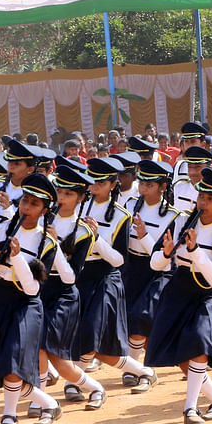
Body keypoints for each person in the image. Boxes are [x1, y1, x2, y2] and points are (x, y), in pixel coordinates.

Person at [0, 173, 64, 424]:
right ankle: (49, 403)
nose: (27, 208)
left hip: (25, 305)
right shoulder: (0, 229)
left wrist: (17, 258)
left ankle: (9, 415)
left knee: (12, 362)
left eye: (34, 204)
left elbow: (33, 288)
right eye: (25, 201)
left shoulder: (48, 241)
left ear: (45, 210)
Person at [145, 168, 212, 424]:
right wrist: (166, 254)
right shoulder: (180, 221)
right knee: (181, 356)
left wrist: (196, 252)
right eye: (201, 197)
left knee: (198, 342)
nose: (203, 203)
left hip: (210, 296)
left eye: (210, 200)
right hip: (179, 290)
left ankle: (190, 409)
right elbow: (155, 264)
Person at [77, 157, 155, 386]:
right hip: (81, 275)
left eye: (101, 183)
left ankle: (75, 381)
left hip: (105, 278)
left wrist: (96, 238)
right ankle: (144, 372)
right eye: (92, 182)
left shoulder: (122, 215)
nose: (94, 187)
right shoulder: (80, 206)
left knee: (91, 334)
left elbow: (119, 259)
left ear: (113, 185)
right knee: (90, 340)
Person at [40, 164, 109, 410]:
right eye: (59, 191)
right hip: (40, 289)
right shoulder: (43, 218)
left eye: (69, 194)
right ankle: (41, 398)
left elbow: (72, 276)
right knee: (39, 348)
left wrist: (54, 242)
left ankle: (94, 387)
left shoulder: (83, 231)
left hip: (64, 294)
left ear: (81, 198)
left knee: (56, 357)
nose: (61, 197)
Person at [120, 160, 179, 391]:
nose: (143, 187)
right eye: (141, 181)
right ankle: (135, 367)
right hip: (133, 267)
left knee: (142, 317)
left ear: (163, 187)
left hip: (157, 270)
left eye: (150, 183)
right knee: (131, 318)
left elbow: (162, 252)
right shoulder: (132, 203)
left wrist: (144, 236)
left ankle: (143, 369)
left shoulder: (173, 215)